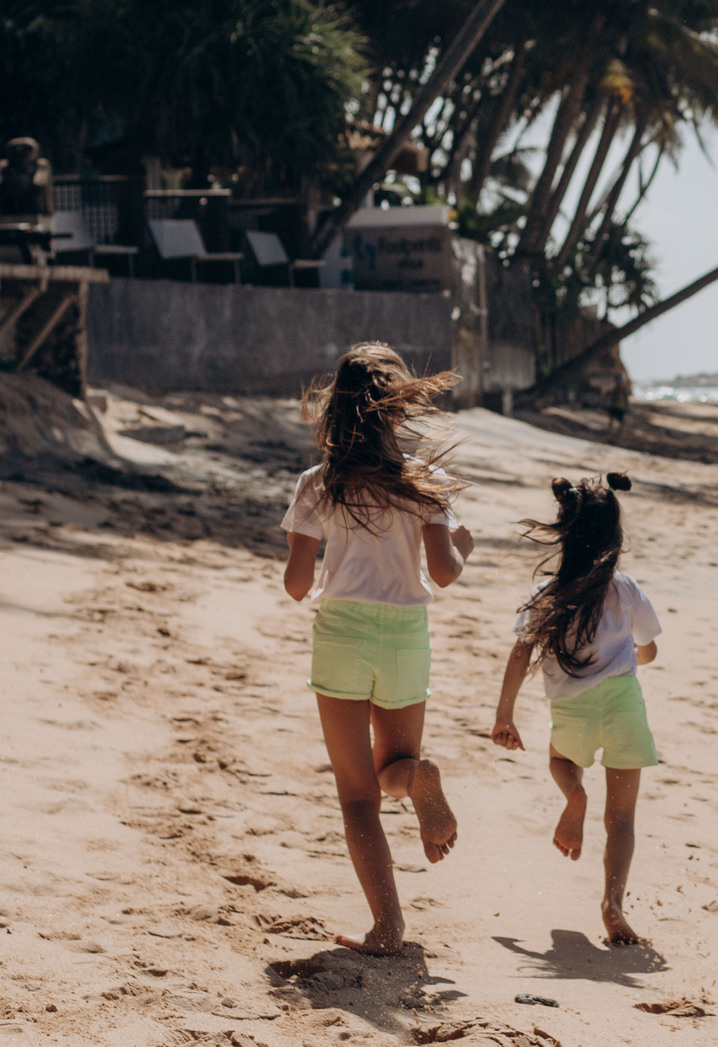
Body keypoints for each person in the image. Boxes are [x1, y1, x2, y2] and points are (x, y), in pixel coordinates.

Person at [281, 342, 475, 955]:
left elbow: (296, 585)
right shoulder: (425, 481)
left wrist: (308, 554)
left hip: (343, 634)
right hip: (405, 636)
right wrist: (463, 547)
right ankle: (417, 777)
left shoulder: (318, 483)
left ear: (334, 409)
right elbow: (443, 572)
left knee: (356, 793)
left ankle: (388, 926)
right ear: (396, 408)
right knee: (393, 767)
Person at [490, 473, 661, 947]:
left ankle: (575, 795)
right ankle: (613, 903)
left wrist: (504, 715)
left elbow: (520, 653)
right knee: (622, 818)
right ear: (615, 537)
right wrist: (635, 654)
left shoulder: (548, 594)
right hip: (623, 704)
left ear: (566, 533)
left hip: (572, 707)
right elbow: (648, 649)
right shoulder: (626, 589)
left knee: (562, 761)